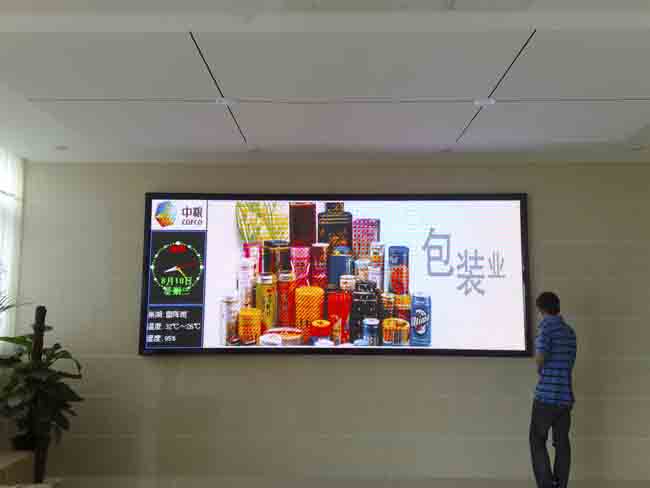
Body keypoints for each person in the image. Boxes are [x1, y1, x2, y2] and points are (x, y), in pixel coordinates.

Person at [530, 292, 577, 488]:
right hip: (565, 398)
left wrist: (539, 367)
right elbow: (569, 363)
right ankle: (560, 484)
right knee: (562, 444)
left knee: (537, 441)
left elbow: (540, 357)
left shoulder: (546, 328)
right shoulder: (569, 332)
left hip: (545, 398)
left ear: (541, 309)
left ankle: (546, 485)